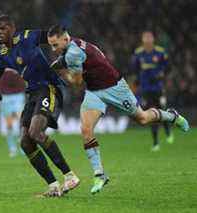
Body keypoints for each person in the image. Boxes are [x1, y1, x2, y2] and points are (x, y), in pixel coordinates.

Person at [47, 25, 189, 194]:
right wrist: (58, 65)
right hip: (94, 91)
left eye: (55, 45)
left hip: (114, 87)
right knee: (86, 129)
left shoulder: (73, 53)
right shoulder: (74, 45)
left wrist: (61, 74)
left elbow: (76, 83)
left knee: (142, 118)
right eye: (51, 45)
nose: (53, 49)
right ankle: (100, 174)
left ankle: (171, 116)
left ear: (65, 39)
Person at [0, 15, 79, 197]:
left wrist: (70, 58)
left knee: (36, 133)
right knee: (25, 142)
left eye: (2, 28)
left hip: (48, 88)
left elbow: (56, 36)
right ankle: (53, 186)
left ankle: (70, 176)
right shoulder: (4, 55)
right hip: (32, 94)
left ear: (12, 29)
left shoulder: (27, 37)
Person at [132, 31, 174, 151]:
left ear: (153, 39)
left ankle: (167, 130)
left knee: (162, 109)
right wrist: (137, 81)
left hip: (158, 87)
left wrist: (162, 74)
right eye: (145, 38)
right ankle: (156, 142)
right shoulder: (138, 53)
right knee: (151, 113)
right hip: (145, 89)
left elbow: (168, 67)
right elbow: (134, 69)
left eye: (150, 37)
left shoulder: (160, 52)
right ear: (142, 40)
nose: (148, 40)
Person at [0, 65, 25, 157]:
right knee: (9, 124)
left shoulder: (19, 57)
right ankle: (12, 148)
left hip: (18, 95)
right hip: (5, 96)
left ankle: (23, 147)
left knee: (21, 121)